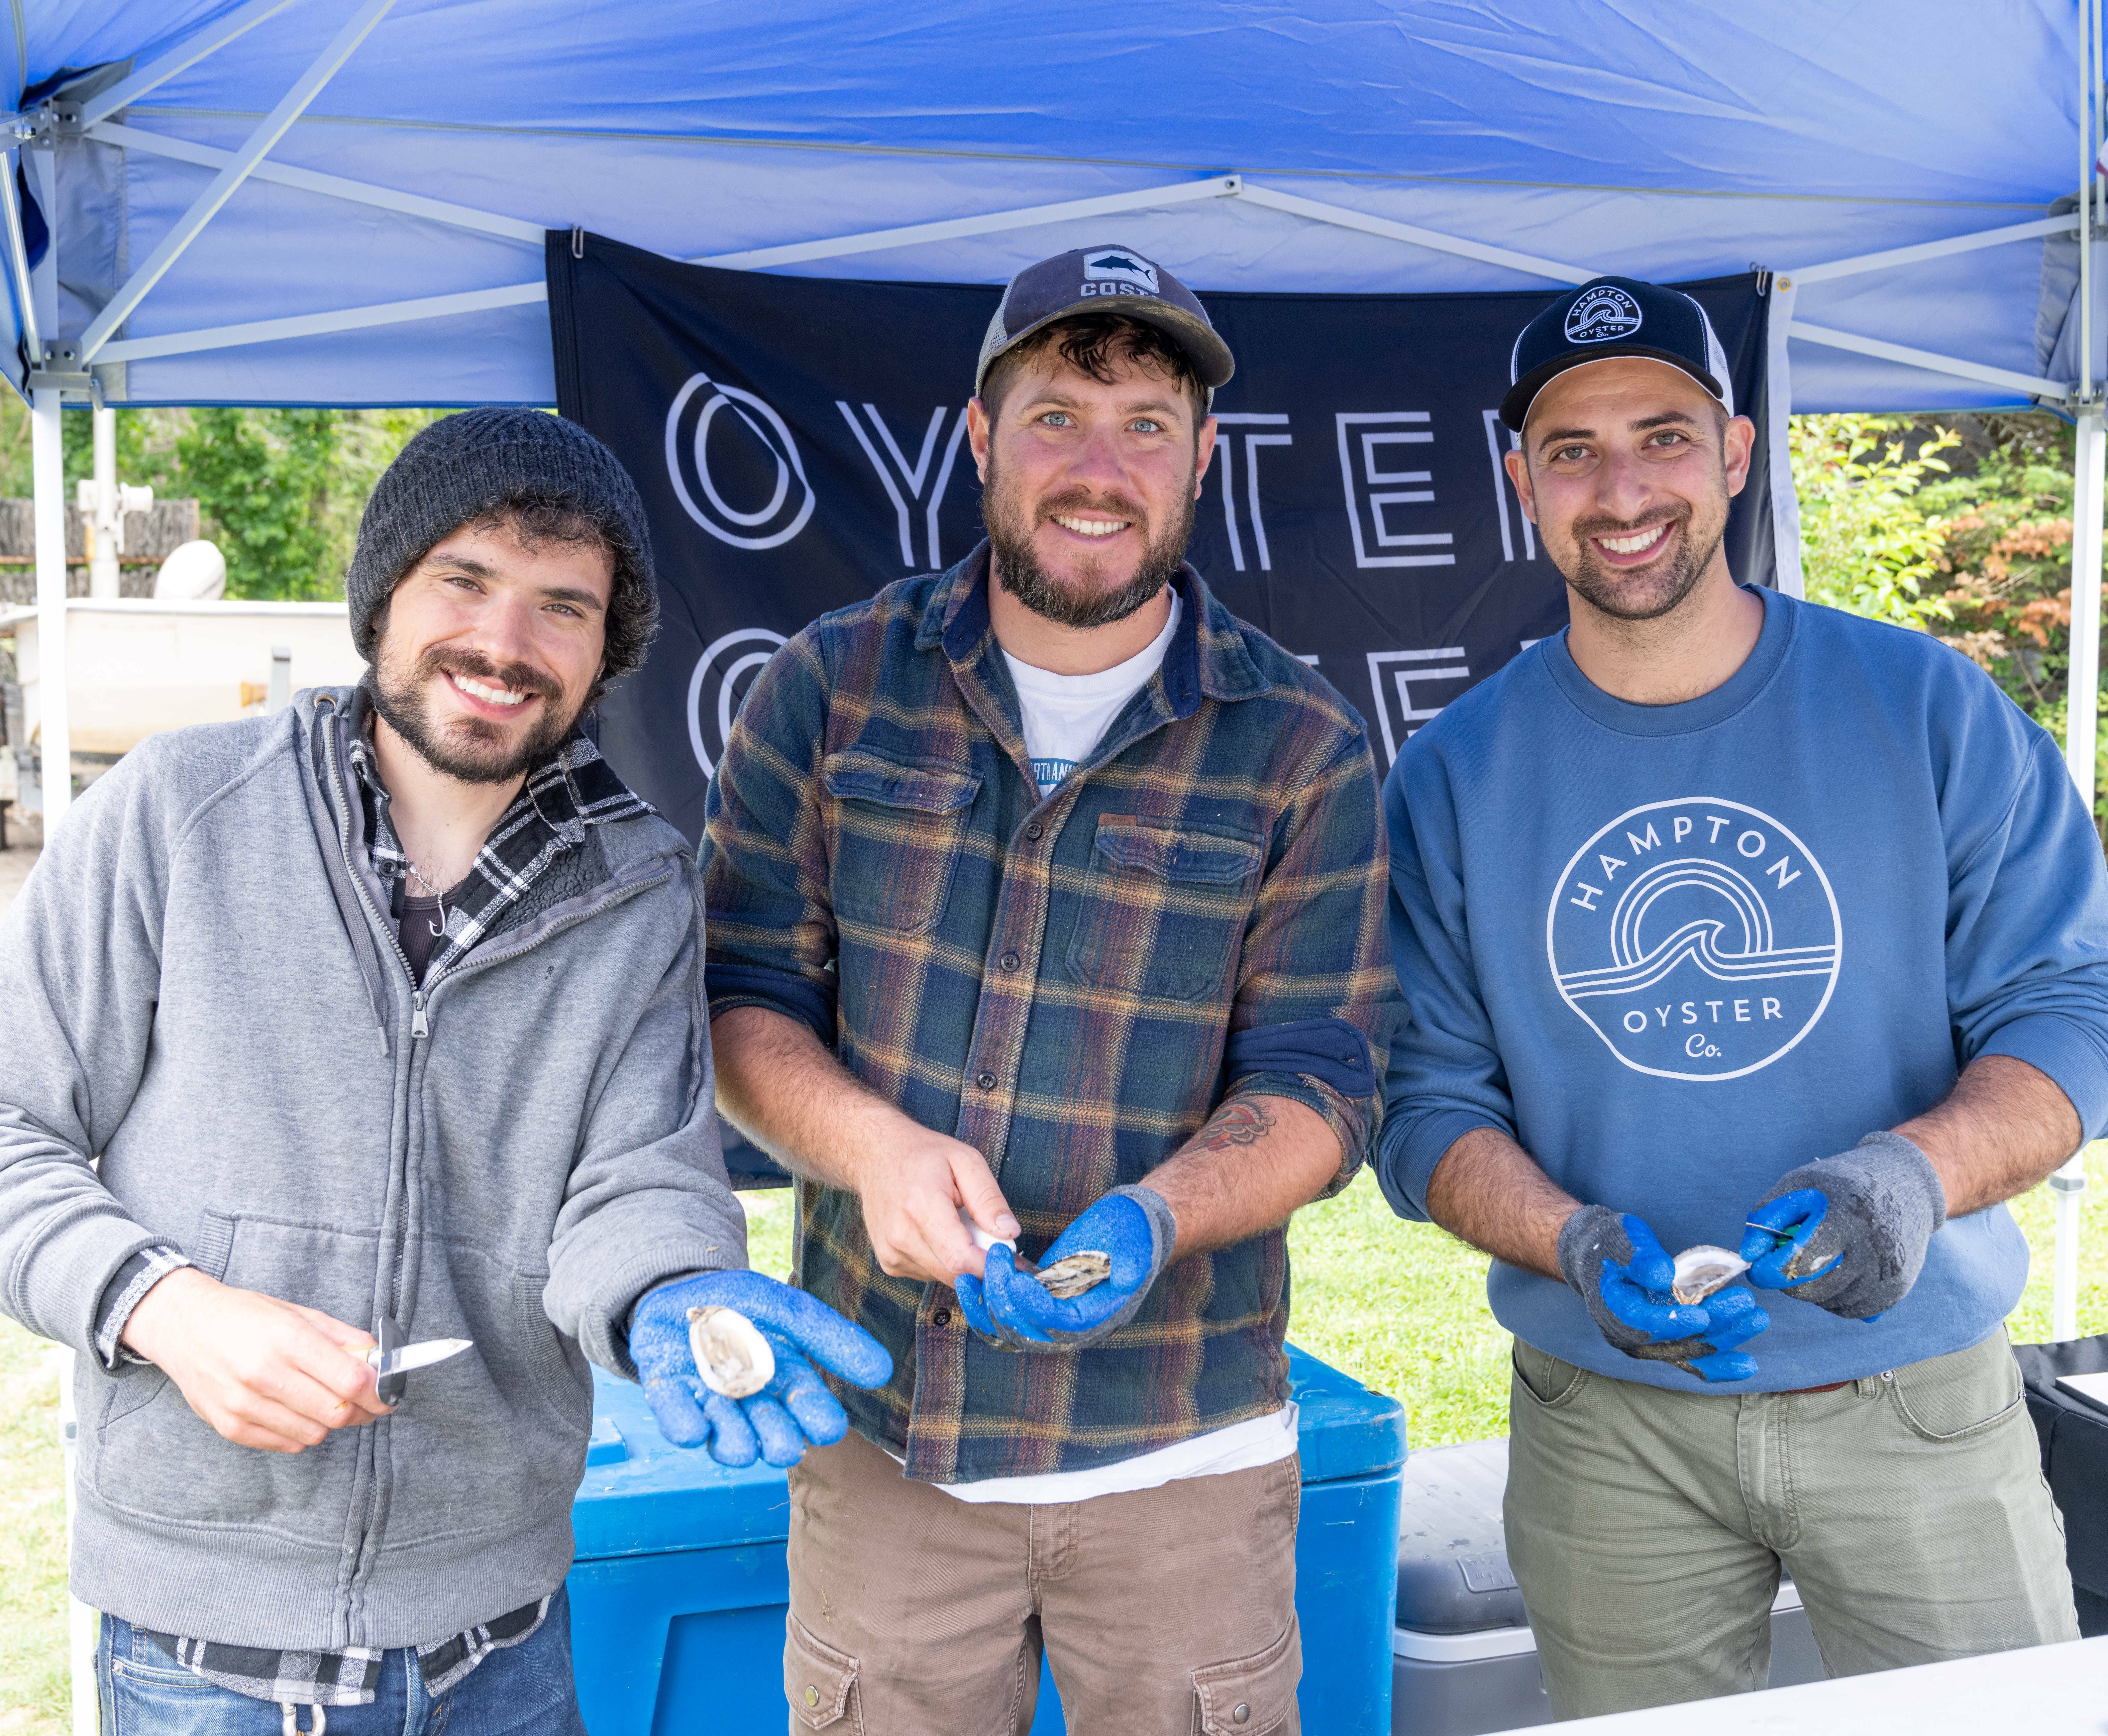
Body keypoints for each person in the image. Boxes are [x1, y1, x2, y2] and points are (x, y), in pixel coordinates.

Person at [0, 409, 884, 1735]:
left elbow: (637, 1177)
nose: (503, 645)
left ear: (606, 651)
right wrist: (166, 1306)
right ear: (381, 596)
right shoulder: (176, 813)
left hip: (501, 1642)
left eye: (563, 606)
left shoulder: (643, 885)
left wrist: (671, 1289)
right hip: (205, 1653)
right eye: (465, 581)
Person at [1378, 275, 2108, 1715]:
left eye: (1663, 436)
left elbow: (2070, 1013)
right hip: (1606, 1426)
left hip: (1913, 1396)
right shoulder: (1454, 774)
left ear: (1738, 451)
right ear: (1520, 479)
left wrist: (1910, 1176)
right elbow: (1421, 1100)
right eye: (1573, 449)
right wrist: (1572, 1242)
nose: (1623, 488)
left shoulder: (1924, 708)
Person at [699, 244, 1392, 1734]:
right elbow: (739, 1002)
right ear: (976, 438)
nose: (1102, 465)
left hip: (1181, 1464)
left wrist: (1159, 1214)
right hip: (892, 1451)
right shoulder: (829, 686)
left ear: (1202, 459)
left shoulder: (1300, 741)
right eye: (1058, 415)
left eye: (1147, 424)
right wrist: (869, 1149)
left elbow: (1324, 1082)